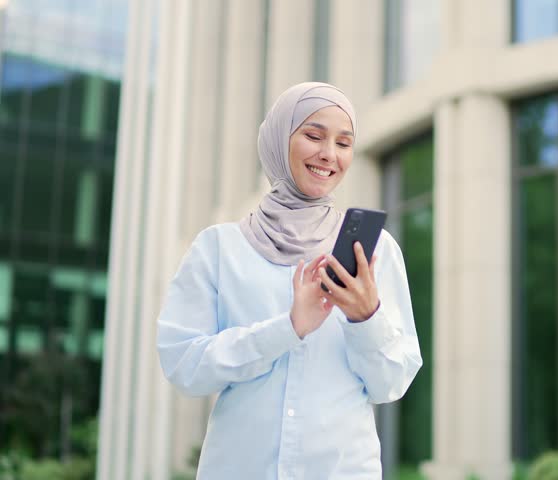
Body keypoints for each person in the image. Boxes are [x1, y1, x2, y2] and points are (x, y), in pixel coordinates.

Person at [156, 82, 422, 479]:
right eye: (314, 136)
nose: (329, 154)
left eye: (344, 143)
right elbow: (184, 365)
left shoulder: (375, 253)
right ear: (280, 140)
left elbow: (391, 384)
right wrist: (288, 328)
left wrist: (367, 318)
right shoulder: (219, 248)